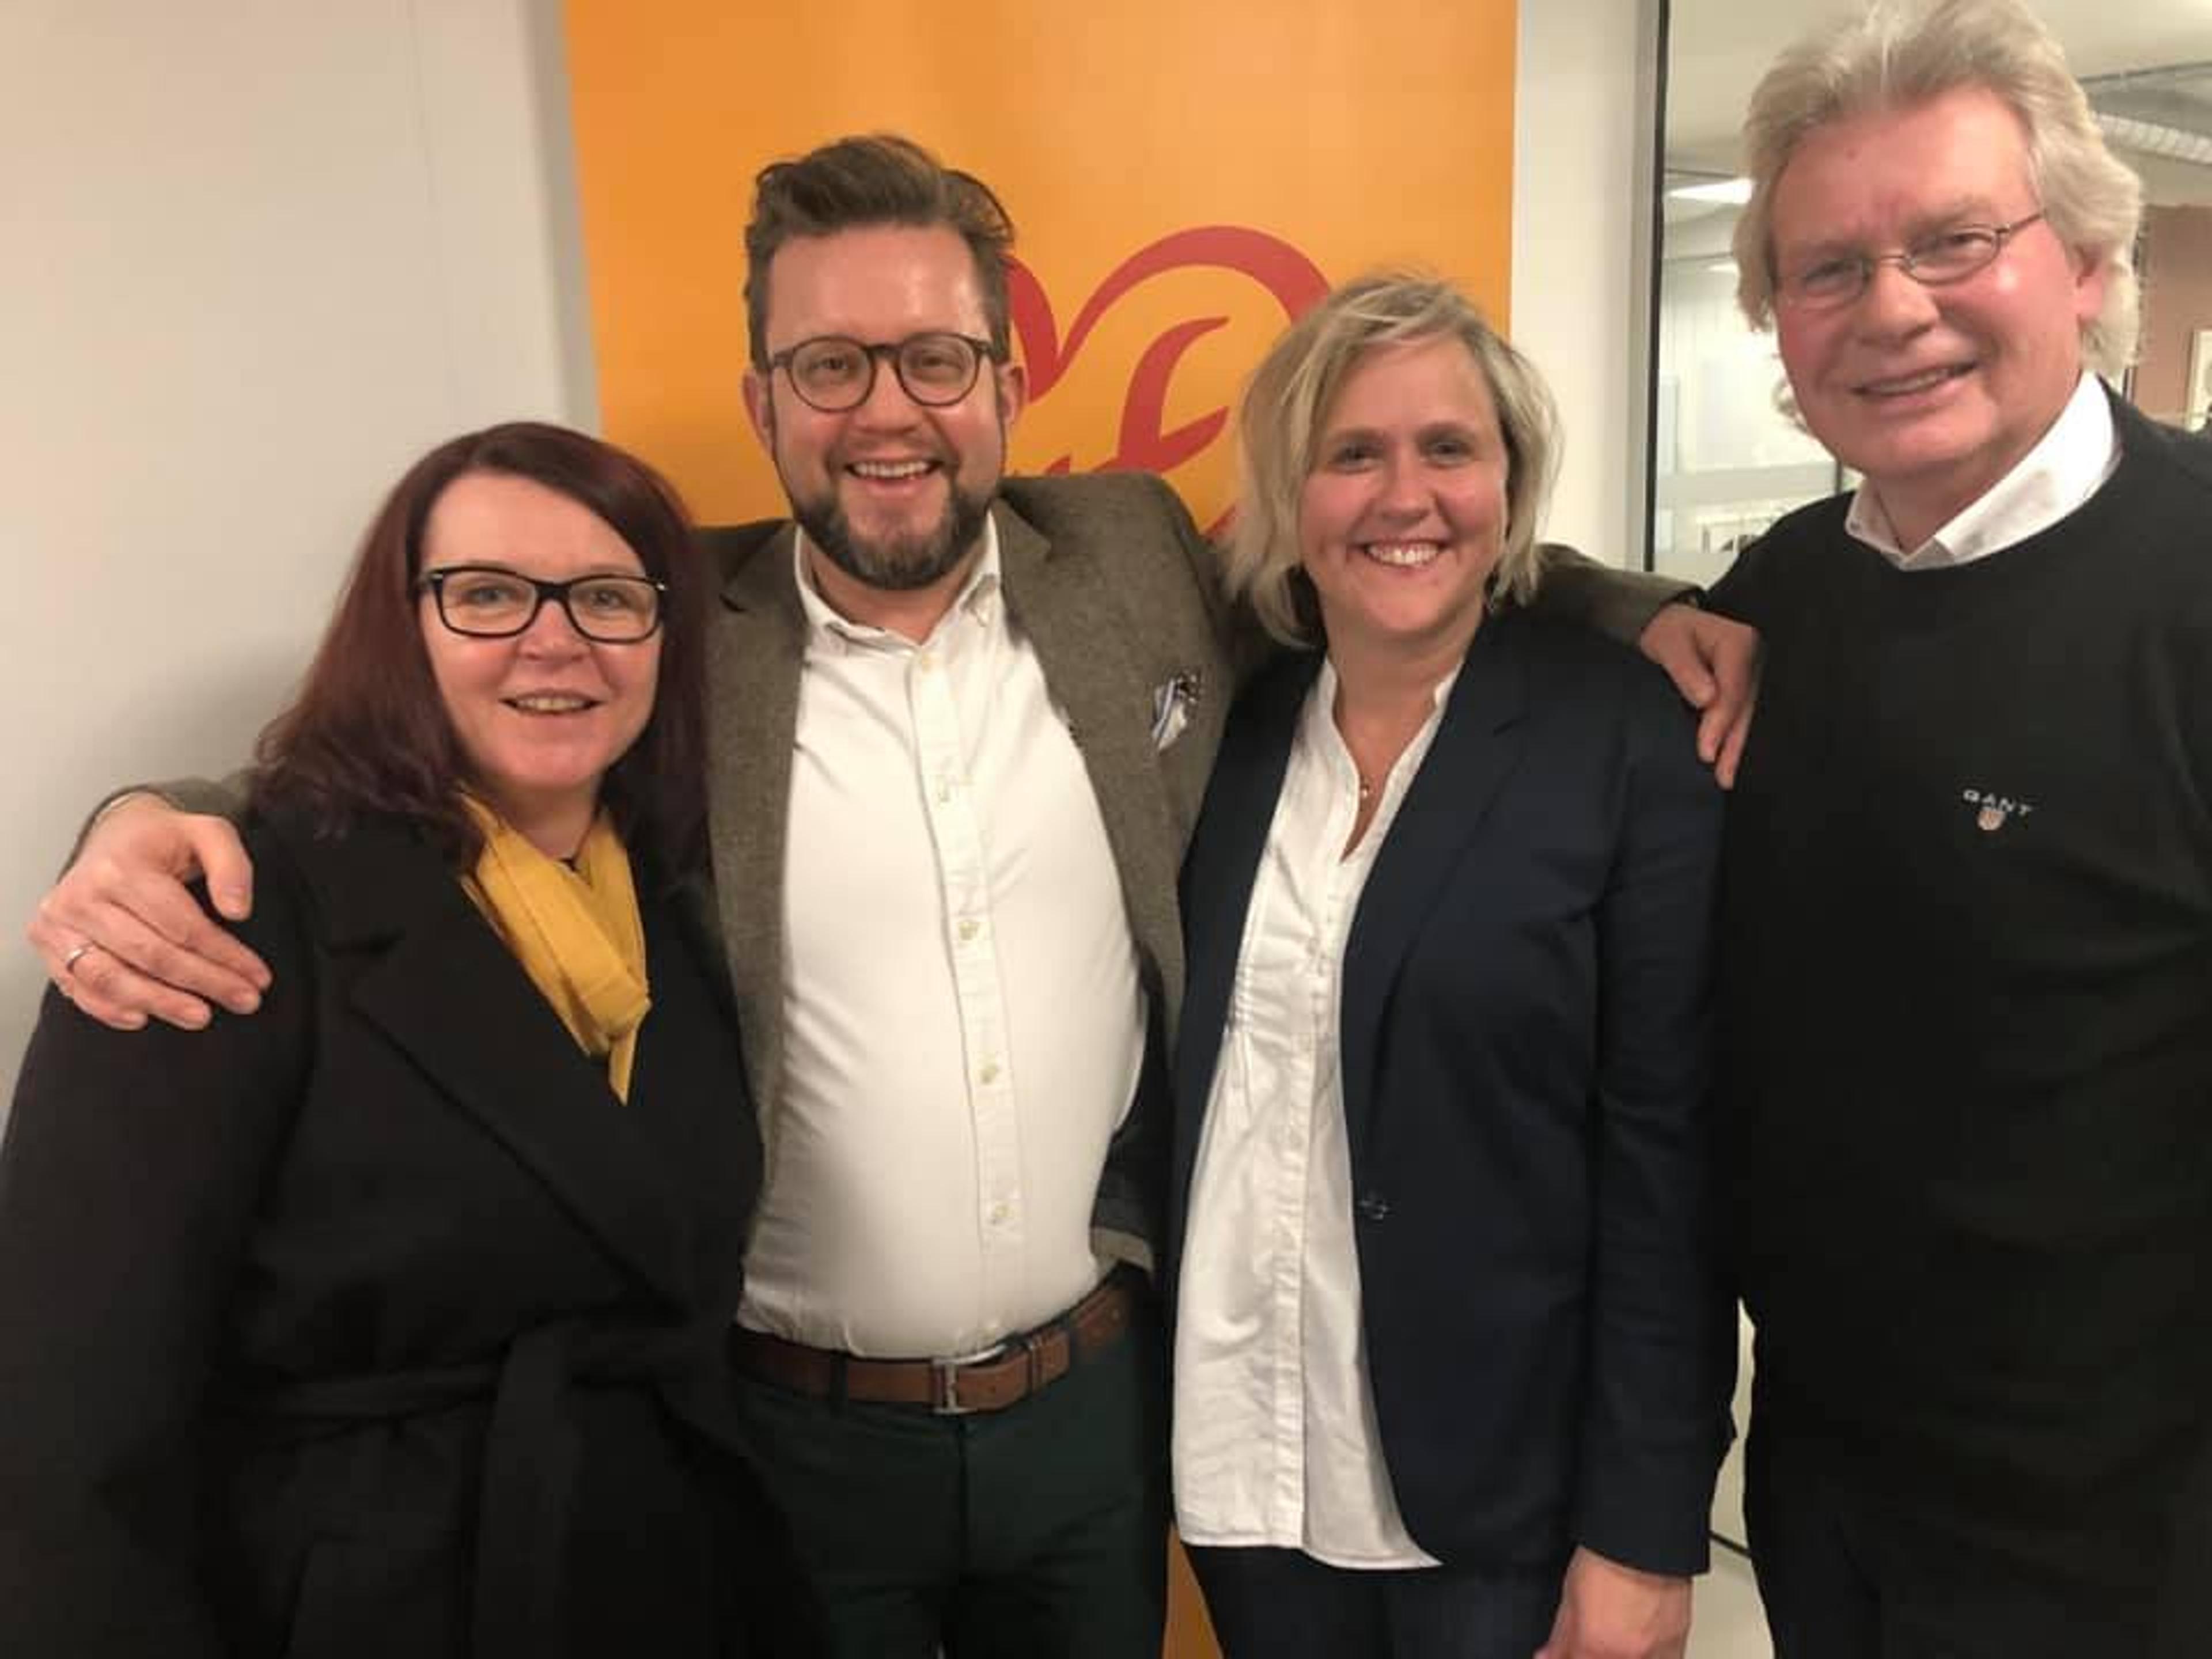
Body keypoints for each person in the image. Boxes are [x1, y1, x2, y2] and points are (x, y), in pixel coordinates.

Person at [20, 136, 1753, 1656]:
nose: (887, 412)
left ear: (1005, 379)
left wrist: (1642, 612)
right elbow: (437, 722)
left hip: (1096, 1417)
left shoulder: (1133, 559)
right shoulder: (672, 630)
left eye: (933, 357)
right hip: (785, 1429)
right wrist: (166, 816)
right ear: (762, 399)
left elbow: (1394, 554)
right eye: (830, 364)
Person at [0, 423, 820, 1657]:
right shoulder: (209, 917)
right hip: (369, 1602)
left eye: (608, 597)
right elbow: (66, 1431)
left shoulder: (683, 908)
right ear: (401, 629)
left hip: (661, 1573)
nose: (556, 639)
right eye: (487, 595)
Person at [1641, 2, 2212, 1654]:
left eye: (1956, 241)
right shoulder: (1782, 596)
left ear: (2087, 263)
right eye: (1828, 268)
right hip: (1826, 1498)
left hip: (2133, 1549)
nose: (1893, 309)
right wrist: (1619, 612)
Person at [1167, 273, 1726, 1659]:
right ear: (1291, 494)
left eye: (1449, 448)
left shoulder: (1620, 739)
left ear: (1510, 483)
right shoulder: (1230, 733)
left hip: (1498, 1507)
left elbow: (1672, 1165)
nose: (1404, 496)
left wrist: (1645, 1526)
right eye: (1353, 453)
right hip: (1245, 1469)